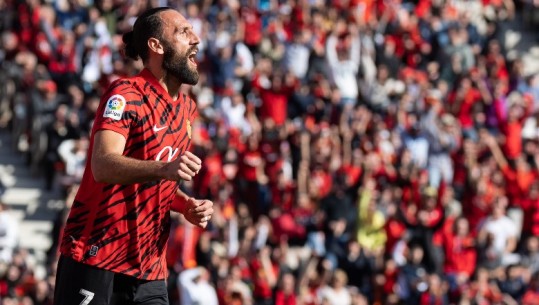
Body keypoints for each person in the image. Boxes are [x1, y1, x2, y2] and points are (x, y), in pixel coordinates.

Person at [53, 7, 214, 305]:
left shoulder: (188, 109)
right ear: (156, 45)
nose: (196, 39)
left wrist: (184, 203)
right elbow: (103, 165)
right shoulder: (125, 94)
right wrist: (167, 168)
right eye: (183, 32)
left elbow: (155, 177)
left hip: (149, 268)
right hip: (96, 257)